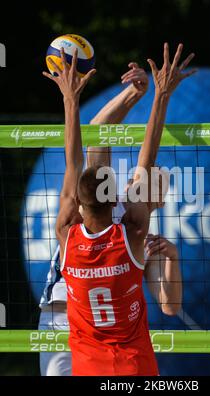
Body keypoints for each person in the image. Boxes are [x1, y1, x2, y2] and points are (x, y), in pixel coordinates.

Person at [42, 43, 195, 375]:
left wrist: (70, 99)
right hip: (127, 361)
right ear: (116, 196)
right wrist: (145, 94)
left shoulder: (78, 230)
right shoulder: (133, 233)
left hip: (86, 350)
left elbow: (78, 160)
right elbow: (133, 154)